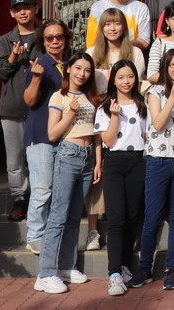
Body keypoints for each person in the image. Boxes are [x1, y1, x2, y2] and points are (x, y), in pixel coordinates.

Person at [127, 49, 174, 291]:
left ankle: (171, 270)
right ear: (166, 67)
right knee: (153, 217)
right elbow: (157, 123)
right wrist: (173, 99)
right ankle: (145, 268)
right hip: (158, 159)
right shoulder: (154, 92)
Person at [34, 53, 103, 295]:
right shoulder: (59, 96)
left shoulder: (91, 97)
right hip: (68, 155)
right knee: (58, 216)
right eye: (77, 68)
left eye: (86, 70)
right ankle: (45, 273)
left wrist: (97, 162)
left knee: (75, 216)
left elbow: (96, 134)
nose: (81, 74)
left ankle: (66, 266)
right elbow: (53, 134)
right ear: (69, 70)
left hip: (87, 159)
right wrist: (70, 113)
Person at [94, 60, 147, 296]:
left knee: (133, 216)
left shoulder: (143, 104)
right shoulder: (105, 107)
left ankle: (125, 265)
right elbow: (108, 141)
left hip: (139, 161)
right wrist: (115, 116)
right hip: (115, 162)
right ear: (113, 80)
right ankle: (114, 273)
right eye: (121, 77)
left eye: (130, 76)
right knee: (116, 218)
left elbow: (147, 134)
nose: (126, 82)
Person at [22, 19, 72, 254]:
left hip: (66, 136)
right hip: (41, 135)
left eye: (59, 37)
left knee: (59, 191)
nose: (54, 41)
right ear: (43, 41)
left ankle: (51, 236)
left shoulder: (71, 64)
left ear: (66, 39)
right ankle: (34, 236)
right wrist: (36, 78)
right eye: (49, 38)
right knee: (42, 189)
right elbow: (29, 101)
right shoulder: (39, 64)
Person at [0, 0, 41, 222]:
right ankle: (20, 198)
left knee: (38, 156)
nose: (23, 12)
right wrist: (12, 56)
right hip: (11, 108)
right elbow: (0, 73)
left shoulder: (45, 37)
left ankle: (40, 198)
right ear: (12, 13)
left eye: (27, 7)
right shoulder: (4, 40)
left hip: (40, 109)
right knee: (14, 160)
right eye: (18, 9)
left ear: (36, 9)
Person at [87, 7, 146, 88]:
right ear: (102, 28)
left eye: (117, 24)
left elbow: (137, 84)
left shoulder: (136, 52)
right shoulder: (91, 52)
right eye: (107, 24)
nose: (112, 29)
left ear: (124, 27)